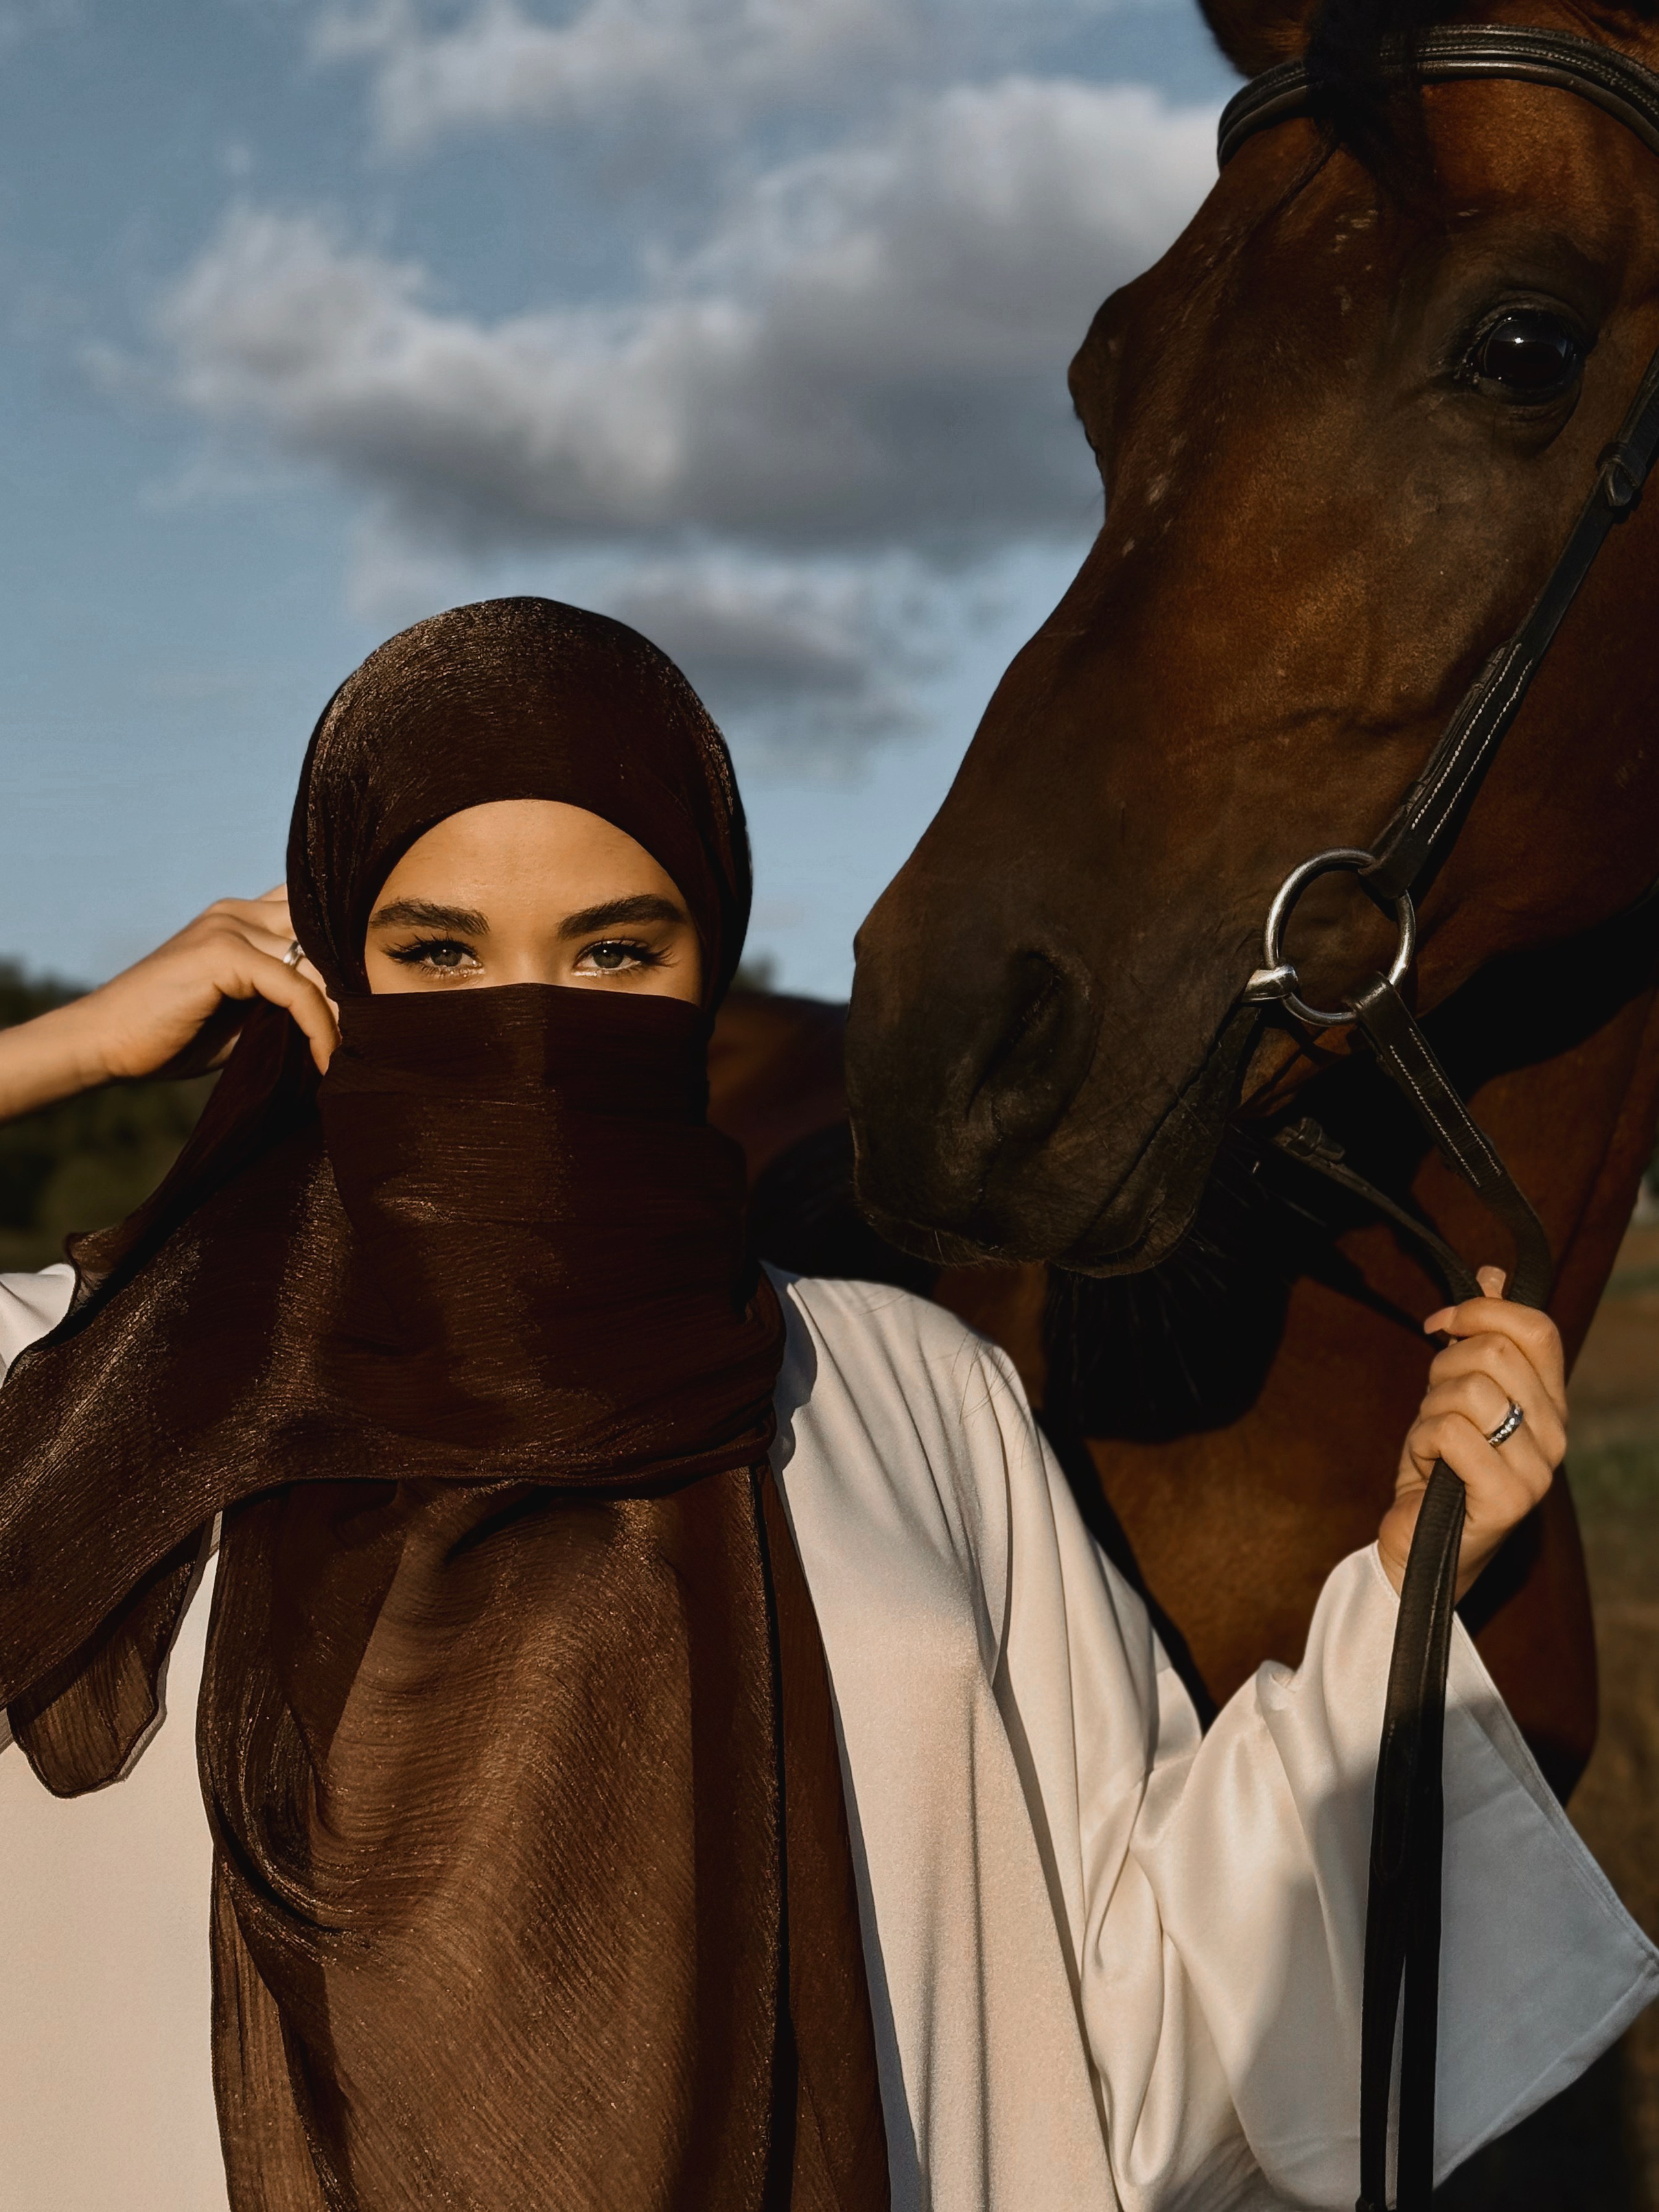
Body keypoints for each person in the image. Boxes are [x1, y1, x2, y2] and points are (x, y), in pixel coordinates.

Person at [0, 597, 1652, 2212]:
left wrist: (1410, 1573)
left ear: (705, 970)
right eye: (438, 951)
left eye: (614, 950)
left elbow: (1137, 1974)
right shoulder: (85, 1400)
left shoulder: (898, 1390)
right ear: (330, 975)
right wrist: (53, 1050)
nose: (533, 1023)